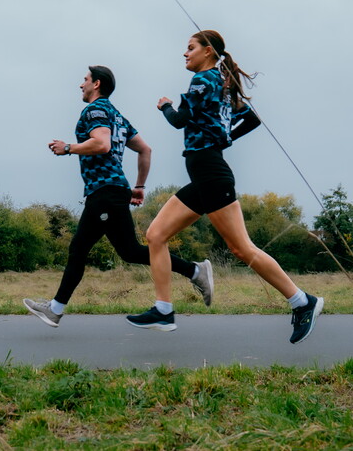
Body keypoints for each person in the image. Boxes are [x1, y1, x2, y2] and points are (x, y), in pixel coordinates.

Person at [126, 31, 324, 343]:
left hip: (211, 173)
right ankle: (163, 309)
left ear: (208, 51)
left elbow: (178, 120)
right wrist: (223, 137)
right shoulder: (222, 85)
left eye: (190, 48)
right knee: (155, 235)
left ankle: (302, 301)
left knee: (241, 247)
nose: (185, 54)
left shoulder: (204, 80)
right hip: (205, 174)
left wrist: (165, 105)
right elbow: (251, 120)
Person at [23, 65, 213, 328]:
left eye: (85, 80)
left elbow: (102, 143)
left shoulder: (95, 110)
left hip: (104, 192)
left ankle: (55, 309)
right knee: (130, 251)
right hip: (114, 191)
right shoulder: (117, 116)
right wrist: (139, 186)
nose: (81, 84)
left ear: (97, 84)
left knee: (80, 249)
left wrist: (68, 148)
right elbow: (145, 149)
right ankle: (195, 270)